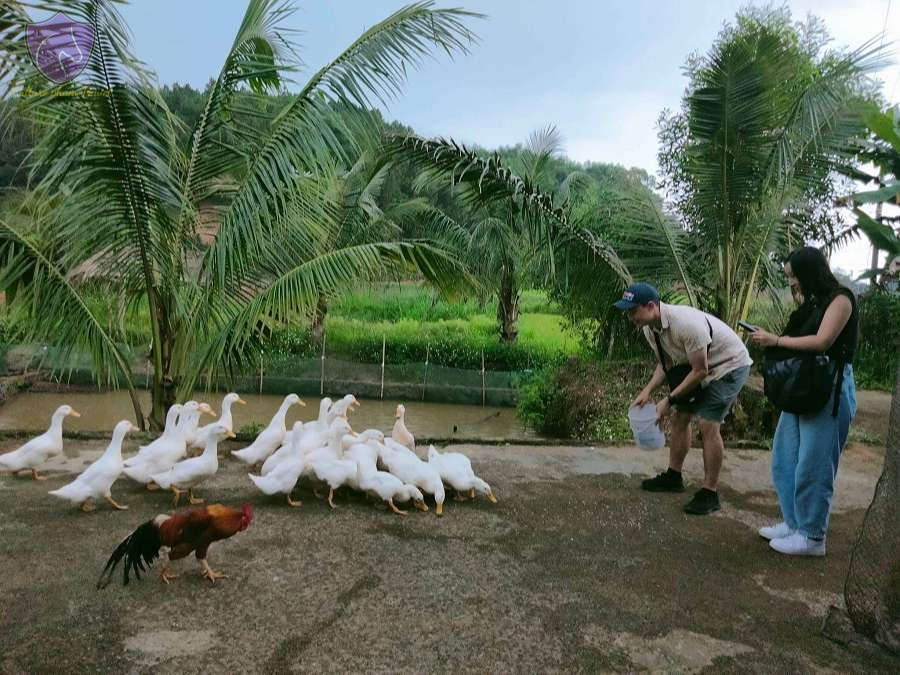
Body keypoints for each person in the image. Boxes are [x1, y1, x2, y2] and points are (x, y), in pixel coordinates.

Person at [750, 247, 858, 557]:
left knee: (814, 462)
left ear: (809, 272)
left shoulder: (841, 299)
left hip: (829, 388)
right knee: (786, 456)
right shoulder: (814, 302)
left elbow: (823, 341)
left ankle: (812, 536)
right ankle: (795, 522)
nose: (792, 284)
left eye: (794, 277)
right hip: (805, 387)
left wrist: (776, 340)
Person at [615, 282, 752, 515]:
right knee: (680, 418)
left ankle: (710, 493)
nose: (630, 317)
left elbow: (701, 371)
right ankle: (673, 477)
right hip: (699, 367)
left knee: (708, 423)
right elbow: (666, 363)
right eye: (627, 312)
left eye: (633, 311)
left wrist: (668, 400)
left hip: (729, 365)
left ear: (651, 306)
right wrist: (647, 391)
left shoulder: (686, 325)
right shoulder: (651, 329)